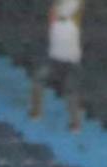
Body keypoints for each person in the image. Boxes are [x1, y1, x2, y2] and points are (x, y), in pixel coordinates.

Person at [30, 0, 83, 133]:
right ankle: (36, 111)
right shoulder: (54, 21)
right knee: (38, 80)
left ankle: (75, 122)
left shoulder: (72, 21)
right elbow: (54, 10)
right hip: (53, 59)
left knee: (71, 91)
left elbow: (76, 6)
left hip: (71, 62)